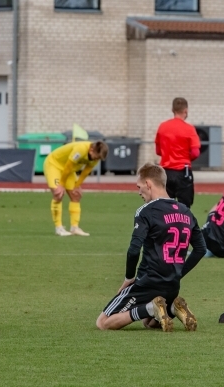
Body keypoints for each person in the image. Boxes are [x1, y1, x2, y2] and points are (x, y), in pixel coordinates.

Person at [96, 163, 206, 332]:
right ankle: (171, 308)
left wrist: (128, 278)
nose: (139, 192)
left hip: (148, 282)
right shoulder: (186, 211)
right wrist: (178, 273)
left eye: (139, 187)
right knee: (149, 323)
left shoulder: (146, 211)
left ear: (148, 184)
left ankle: (150, 308)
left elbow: (134, 249)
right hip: (172, 285)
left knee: (103, 323)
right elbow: (200, 249)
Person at [44, 140, 108, 236]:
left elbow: (86, 171)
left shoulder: (95, 158)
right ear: (91, 150)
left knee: (76, 195)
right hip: (54, 165)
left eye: (99, 158)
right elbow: (68, 166)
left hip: (69, 170)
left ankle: (74, 228)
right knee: (58, 194)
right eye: (97, 157)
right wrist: (61, 184)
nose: (96, 160)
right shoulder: (81, 149)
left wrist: (77, 186)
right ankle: (59, 228)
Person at [154, 97, 201, 208]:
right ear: (186, 111)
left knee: (165, 207)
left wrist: (168, 154)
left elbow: (158, 150)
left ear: (172, 109)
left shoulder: (162, 127)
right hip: (182, 171)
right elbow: (195, 152)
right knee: (184, 208)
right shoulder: (189, 129)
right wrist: (185, 157)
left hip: (165, 172)